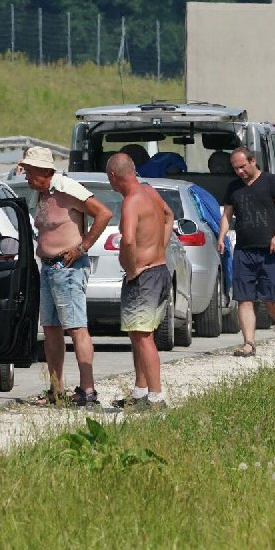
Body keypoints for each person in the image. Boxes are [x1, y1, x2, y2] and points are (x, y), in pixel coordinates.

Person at [19, 146, 113, 407]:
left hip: (68, 267)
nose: (26, 177)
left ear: (43, 171)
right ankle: (56, 389)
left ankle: (88, 389)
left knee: (75, 326)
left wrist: (83, 247)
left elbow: (103, 213)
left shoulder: (67, 189)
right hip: (48, 266)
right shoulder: (39, 193)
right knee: (50, 328)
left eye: (29, 171)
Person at [106, 153, 174, 411]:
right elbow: (169, 215)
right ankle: (140, 392)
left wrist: (131, 267)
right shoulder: (149, 191)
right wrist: (161, 247)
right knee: (139, 334)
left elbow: (128, 239)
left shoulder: (131, 201)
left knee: (143, 337)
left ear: (113, 176)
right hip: (159, 270)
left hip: (144, 275)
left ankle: (156, 398)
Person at [217, 148, 275, 358]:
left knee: (271, 299)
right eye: (236, 168)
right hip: (244, 250)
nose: (240, 172)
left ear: (253, 161)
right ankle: (249, 344)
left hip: (269, 250)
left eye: (243, 167)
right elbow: (227, 214)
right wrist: (221, 237)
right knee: (244, 299)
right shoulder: (233, 188)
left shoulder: (271, 182)